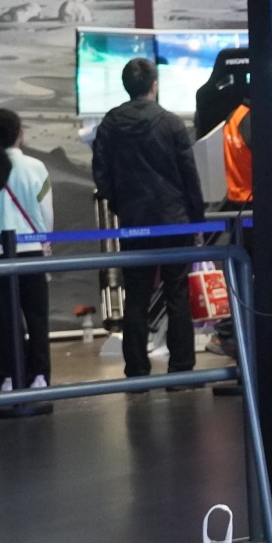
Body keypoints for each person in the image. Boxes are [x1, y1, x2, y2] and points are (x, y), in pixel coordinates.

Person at [92, 57, 206, 378]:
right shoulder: (171, 124)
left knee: (136, 297)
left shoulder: (110, 124)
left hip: (135, 224)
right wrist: (197, 219)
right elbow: (189, 176)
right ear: (154, 85)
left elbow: (101, 175)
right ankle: (180, 371)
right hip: (174, 222)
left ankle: (137, 371)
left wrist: (121, 205)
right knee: (177, 295)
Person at [0, 109, 53, 392]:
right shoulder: (36, 167)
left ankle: (8, 378)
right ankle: (39, 377)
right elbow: (46, 212)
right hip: (31, 250)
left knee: (3, 319)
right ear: (20, 133)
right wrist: (46, 241)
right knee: (36, 317)